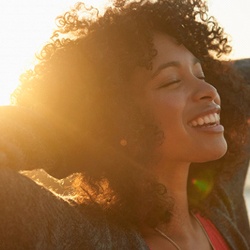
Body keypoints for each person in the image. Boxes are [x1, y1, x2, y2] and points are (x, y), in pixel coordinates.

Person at [0, 0, 249, 249]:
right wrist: (85, 136)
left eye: (201, 74)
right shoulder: (84, 236)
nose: (209, 90)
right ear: (122, 114)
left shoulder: (220, 204)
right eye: (171, 81)